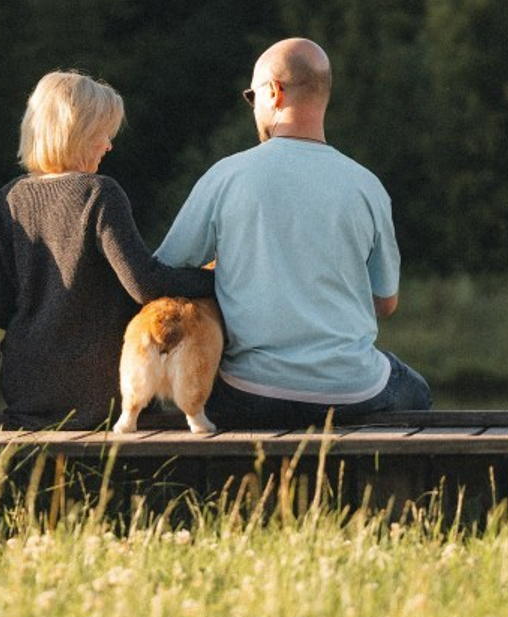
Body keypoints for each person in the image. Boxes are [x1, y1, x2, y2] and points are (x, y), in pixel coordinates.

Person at [157, 37, 431, 428]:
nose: (253, 108)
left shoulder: (227, 176)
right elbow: (385, 303)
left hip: (249, 393)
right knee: (416, 390)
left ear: (274, 92)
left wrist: (227, 282)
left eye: (253, 96)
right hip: (352, 391)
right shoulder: (367, 186)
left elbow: (163, 272)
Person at [0, 70, 215, 429]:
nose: (109, 144)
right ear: (79, 131)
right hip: (106, 395)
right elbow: (144, 284)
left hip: (29, 392)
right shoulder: (99, 193)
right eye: (103, 133)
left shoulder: (6, 200)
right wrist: (213, 279)